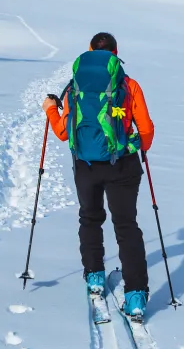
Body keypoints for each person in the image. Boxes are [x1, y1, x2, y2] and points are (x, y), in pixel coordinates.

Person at [42, 32, 154, 319]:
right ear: (116, 54)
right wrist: (131, 146)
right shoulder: (129, 86)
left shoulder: (75, 88)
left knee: (90, 218)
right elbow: (146, 132)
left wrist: (51, 111)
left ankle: (94, 275)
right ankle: (136, 295)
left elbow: (65, 132)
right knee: (126, 226)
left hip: (86, 165)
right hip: (123, 165)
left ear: (90, 52)